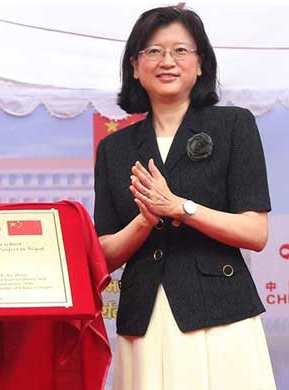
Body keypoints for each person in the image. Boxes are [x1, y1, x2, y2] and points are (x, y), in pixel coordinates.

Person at [94, 6, 276, 390]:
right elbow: (105, 254)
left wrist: (180, 208)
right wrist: (145, 219)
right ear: (135, 66)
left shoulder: (233, 126)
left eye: (180, 51)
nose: (167, 61)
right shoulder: (115, 148)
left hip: (220, 314)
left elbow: (255, 231)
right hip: (144, 317)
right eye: (153, 51)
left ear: (200, 64)